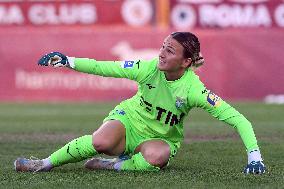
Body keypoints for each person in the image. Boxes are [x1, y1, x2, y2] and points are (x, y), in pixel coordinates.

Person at [14, 32, 265, 174]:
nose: (162, 53)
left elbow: (237, 118)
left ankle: (115, 166)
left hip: (160, 137)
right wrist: (68, 60)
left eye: (170, 51)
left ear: (186, 62)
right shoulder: (147, 68)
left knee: (158, 157)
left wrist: (254, 157)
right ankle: (43, 163)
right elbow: (106, 67)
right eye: (163, 47)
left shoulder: (194, 90)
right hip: (129, 120)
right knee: (100, 141)